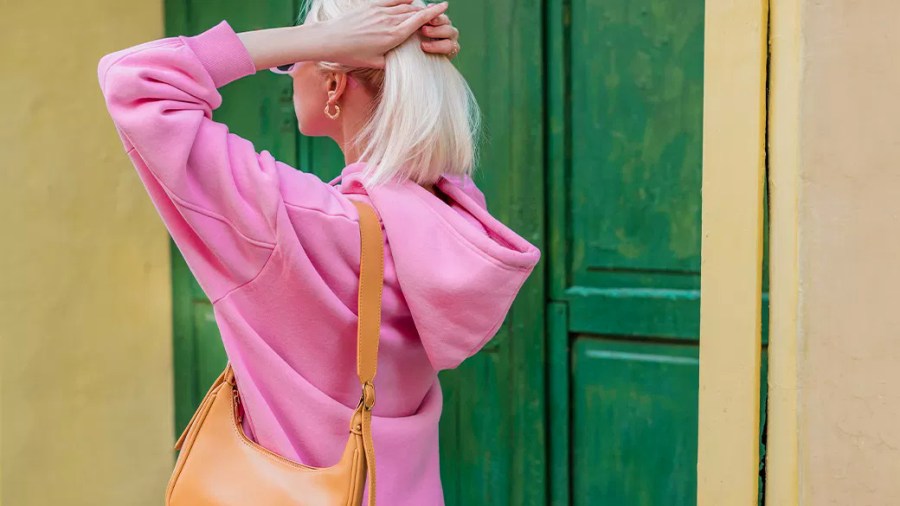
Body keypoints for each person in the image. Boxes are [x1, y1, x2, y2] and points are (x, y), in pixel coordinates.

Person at [97, 0, 541, 503]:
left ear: (334, 81)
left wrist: (309, 42)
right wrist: (417, 60)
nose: (289, 73)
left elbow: (133, 77)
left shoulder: (296, 221)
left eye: (295, 60)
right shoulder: (454, 216)